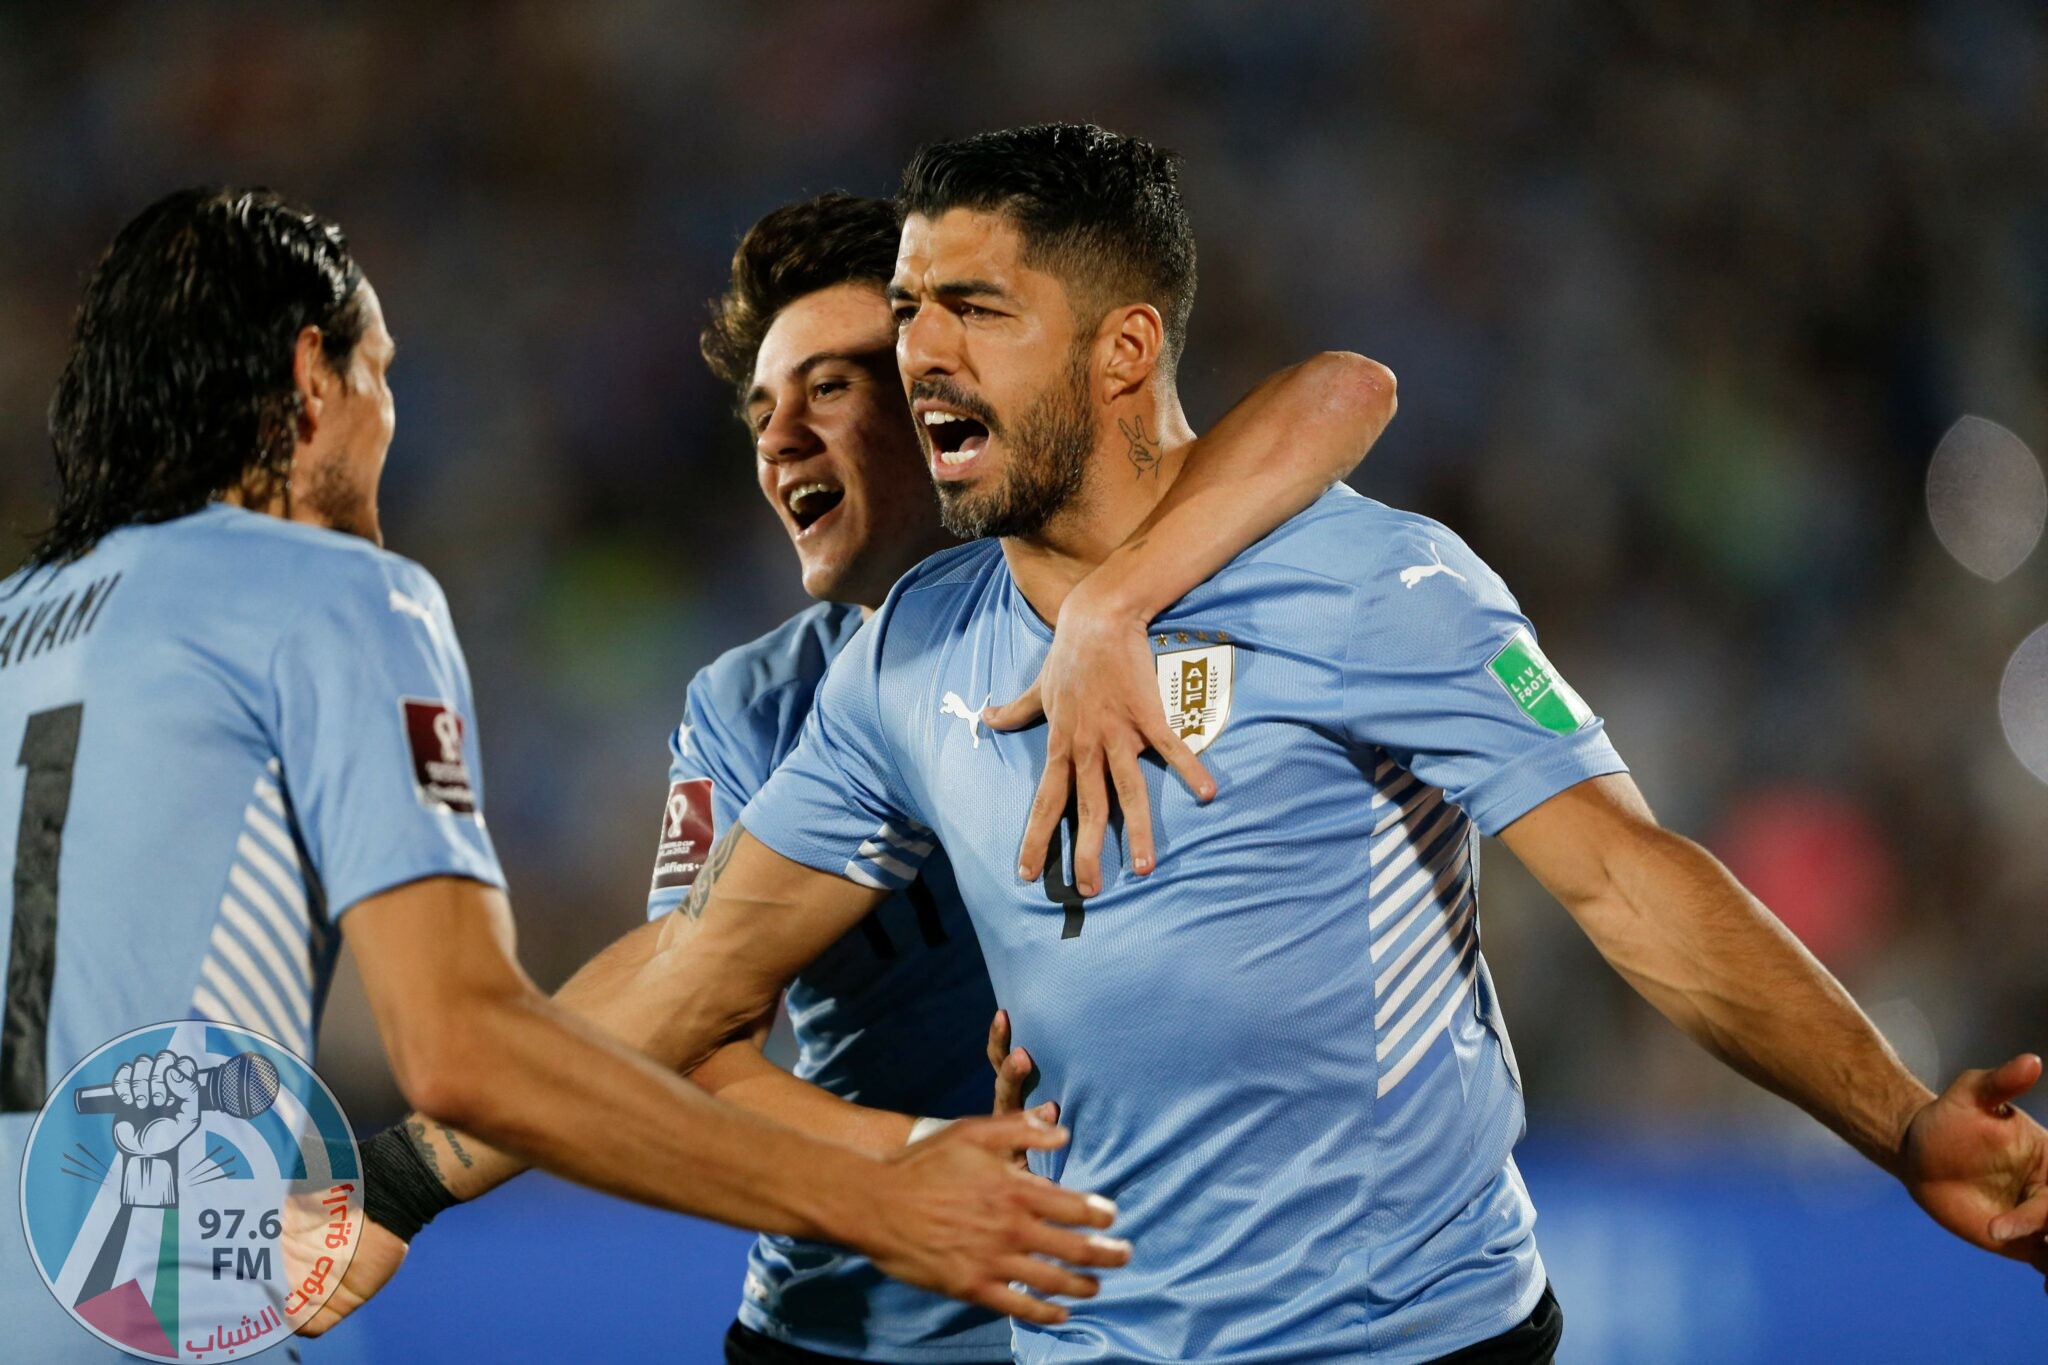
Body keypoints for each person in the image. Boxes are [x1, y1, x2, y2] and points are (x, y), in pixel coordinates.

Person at [435, 122, 2045, 1363]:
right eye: (914, 308)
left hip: (1420, 1340)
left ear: (1124, 350)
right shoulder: (913, 654)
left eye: (975, 308)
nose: (922, 350)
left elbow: (1632, 887)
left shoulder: (1371, 582)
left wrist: (1898, 1121)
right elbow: (700, 969)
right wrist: (409, 1164)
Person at [0, 187, 1125, 1363]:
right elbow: (490, 1038)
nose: (391, 428)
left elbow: (1327, 401)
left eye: (831, 386)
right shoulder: (337, 596)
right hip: (190, 1308)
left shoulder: (14, 627)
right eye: (384, 375)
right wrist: (881, 1189)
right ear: (314, 378)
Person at [312, 188, 1398, 1362]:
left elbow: (1341, 392)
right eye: (761, 409)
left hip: (1136, 1320)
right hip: (847, 1326)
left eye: (830, 387)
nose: (779, 439)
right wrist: (915, 1160)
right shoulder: (752, 705)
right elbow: (689, 1018)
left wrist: (1117, 602)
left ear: (944, 392)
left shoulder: (1133, 585)